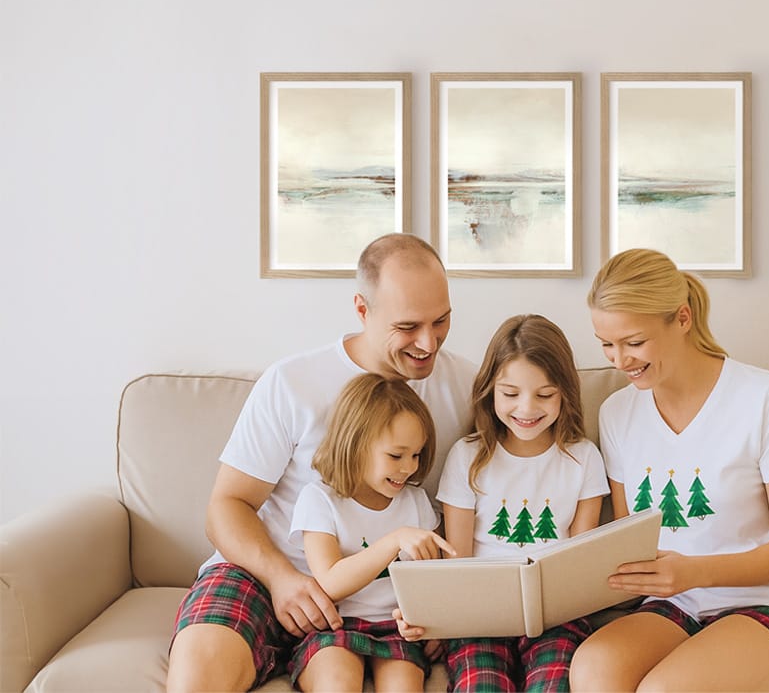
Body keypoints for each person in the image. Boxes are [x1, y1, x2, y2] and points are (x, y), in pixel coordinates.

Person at [166, 234, 477, 692]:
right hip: (269, 571)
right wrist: (282, 579)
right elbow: (226, 506)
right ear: (362, 309)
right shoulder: (293, 383)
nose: (427, 343)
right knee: (197, 676)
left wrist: (443, 602)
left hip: (383, 596)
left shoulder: (467, 386)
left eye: (442, 320)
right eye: (408, 326)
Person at [569, 248, 769, 692]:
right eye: (606, 345)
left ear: (683, 319)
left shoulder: (762, 397)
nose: (620, 360)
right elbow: (627, 536)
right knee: (593, 670)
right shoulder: (617, 413)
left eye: (634, 342)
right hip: (674, 603)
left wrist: (695, 572)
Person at [399, 314, 610, 692]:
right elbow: (457, 558)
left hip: (556, 616)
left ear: (564, 392)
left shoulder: (584, 457)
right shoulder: (468, 456)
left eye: (544, 395)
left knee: (555, 684)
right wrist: (440, 617)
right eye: (510, 394)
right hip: (480, 616)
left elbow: (582, 561)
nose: (526, 409)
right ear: (490, 390)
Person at [289, 373, 454, 691]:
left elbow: (435, 579)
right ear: (355, 444)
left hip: (397, 630)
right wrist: (394, 540)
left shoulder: (415, 501)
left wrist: (432, 623)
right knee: (336, 683)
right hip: (336, 626)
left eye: (416, 455)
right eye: (396, 455)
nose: (409, 468)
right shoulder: (320, 499)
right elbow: (330, 582)